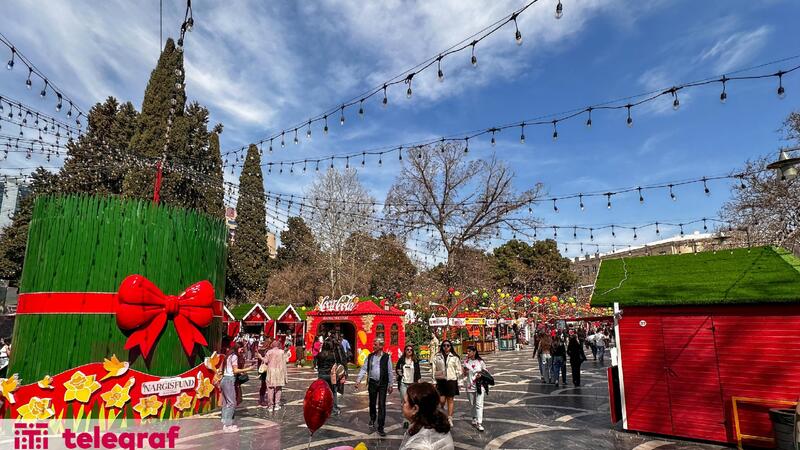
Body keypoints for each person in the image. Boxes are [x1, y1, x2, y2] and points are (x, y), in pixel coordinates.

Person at [355, 338, 394, 437]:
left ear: (381, 346)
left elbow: (390, 372)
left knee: (381, 404)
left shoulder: (386, 357)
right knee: (372, 402)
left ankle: (381, 427)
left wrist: (391, 384)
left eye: (375, 344)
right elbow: (364, 368)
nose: (373, 346)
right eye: (374, 344)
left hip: (382, 384)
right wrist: (358, 380)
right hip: (372, 382)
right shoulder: (370, 356)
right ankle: (372, 418)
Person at [399, 382, 454, 450]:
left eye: (404, 402)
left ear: (415, 408)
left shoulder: (418, 445)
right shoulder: (439, 424)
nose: (401, 404)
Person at [219, 342, 253, 433]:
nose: (242, 350)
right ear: (238, 348)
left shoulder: (228, 356)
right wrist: (248, 369)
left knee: (226, 402)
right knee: (232, 403)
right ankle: (228, 425)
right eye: (241, 348)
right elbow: (235, 370)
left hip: (224, 379)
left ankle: (225, 421)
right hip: (229, 380)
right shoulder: (234, 356)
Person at [431, 340, 461, 426]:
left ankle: (449, 418)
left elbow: (458, 370)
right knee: (441, 400)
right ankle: (442, 410)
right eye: (444, 345)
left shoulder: (454, 357)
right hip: (441, 380)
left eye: (448, 345)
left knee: (450, 400)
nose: (446, 347)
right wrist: (433, 381)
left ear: (451, 347)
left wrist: (459, 382)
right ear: (442, 346)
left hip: (451, 380)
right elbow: (434, 369)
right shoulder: (437, 356)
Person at [396, 345, 422, 429]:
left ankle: (413, 418)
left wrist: (419, 383)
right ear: (405, 351)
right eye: (408, 349)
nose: (409, 351)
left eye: (411, 350)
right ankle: (405, 419)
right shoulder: (401, 360)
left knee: (413, 402)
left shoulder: (415, 361)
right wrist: (399, 373)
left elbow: (418, 373)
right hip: (403, 383)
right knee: (404, 401)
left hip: (413, 384)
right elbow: (397, 369)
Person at [463, 345, 487, 432]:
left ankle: (479, 423)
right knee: (472, 404)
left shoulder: (480, 361)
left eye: (469, 351)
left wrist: (481, 374)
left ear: (474, 352)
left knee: (479, 404)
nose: (468, 353)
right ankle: (474, 417)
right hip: (470, 386)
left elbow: (485, 371)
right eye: (467, 351)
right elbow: (464, 374)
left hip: (480, 386)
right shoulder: (466, 362)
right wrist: (465, 370)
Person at [315, 339, 343, 416]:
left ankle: (322, 408)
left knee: (322, 392)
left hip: (321, 375)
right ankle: (334, 409)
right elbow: (335, 365)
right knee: (333, 392)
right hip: (330, 375)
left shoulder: (320, 354)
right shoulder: (333, 355)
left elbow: (317, 365)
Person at [265, 339, 288, 411]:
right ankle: (277, 404)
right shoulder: (282, 352)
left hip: (271, 371)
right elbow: (286, 360)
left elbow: (266, 361)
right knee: (278, 388)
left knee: (270, 388)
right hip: (280, 371)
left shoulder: (269, 352)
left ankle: (270, 406)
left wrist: (260, 357)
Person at [255, 341, 269, 407]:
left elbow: (258, 362)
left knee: (264, 385)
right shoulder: (266, 351)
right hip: (266, 369)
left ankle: (262, 399)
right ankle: (262, 400)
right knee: (265, 385)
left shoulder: (260, 351)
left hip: (262, 370)